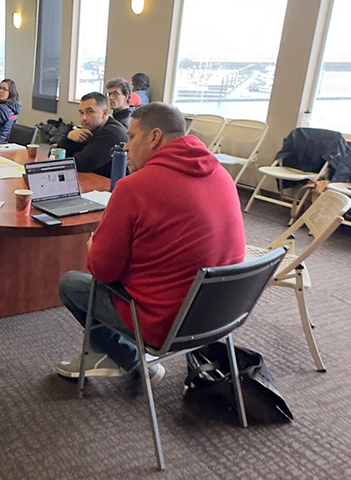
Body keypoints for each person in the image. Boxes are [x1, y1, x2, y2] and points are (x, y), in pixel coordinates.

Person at [55, 102, 245, 384]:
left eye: (131, 137)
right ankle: (110, 353)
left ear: (155, 136)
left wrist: (94, 249)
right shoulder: (222, 175)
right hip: (220, 316)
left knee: (72, 284)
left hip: (164, 324)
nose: (126, 147)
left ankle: (130, 358)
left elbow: (103, 271)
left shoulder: (134, 187)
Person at [58, 92, 128, 177]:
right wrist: (69, 137)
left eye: (90, 112)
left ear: (105, 113)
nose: (84, 118)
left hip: (112, 186)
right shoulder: (91, 129)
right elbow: (56, 156)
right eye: (81, 113)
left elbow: (80, 164)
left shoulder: (112, 133)